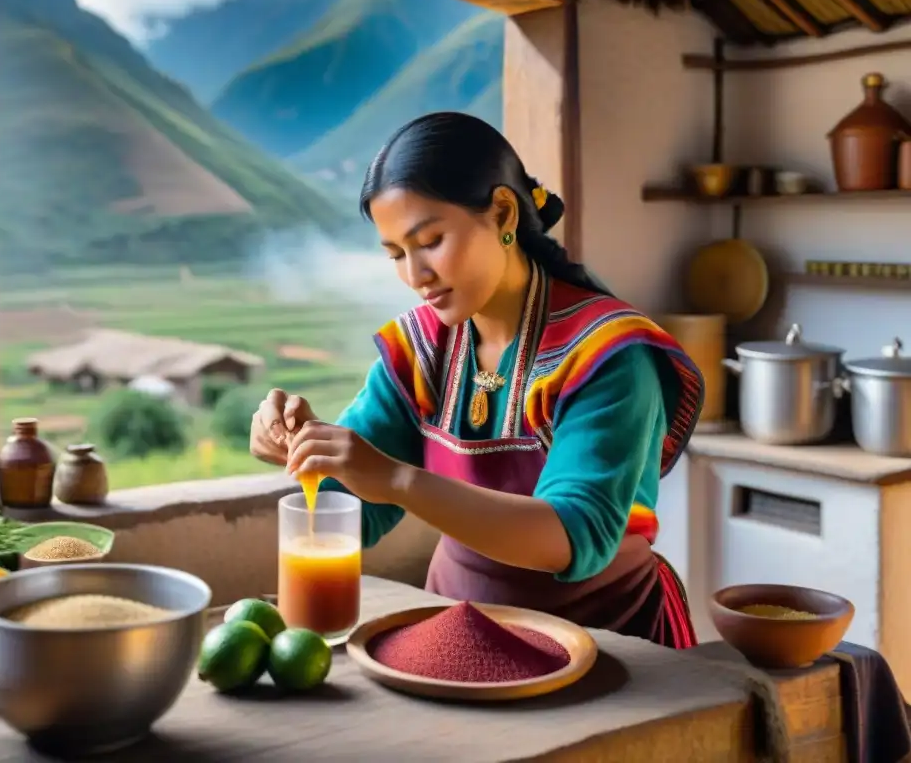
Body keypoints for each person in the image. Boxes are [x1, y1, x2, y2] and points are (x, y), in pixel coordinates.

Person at [250, 112, 704, 648]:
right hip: (457, 636)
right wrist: (301, 448)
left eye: (431, 240)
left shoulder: (608, 355)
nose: (415, 276)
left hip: (609, 642)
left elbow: (574, 535)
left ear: (504, 211)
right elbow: (357, 511)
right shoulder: (420, 351)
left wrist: (398, 479)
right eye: (396, 254)